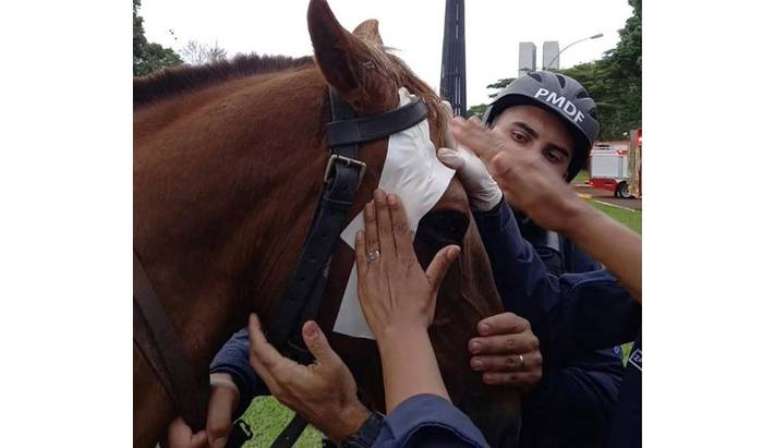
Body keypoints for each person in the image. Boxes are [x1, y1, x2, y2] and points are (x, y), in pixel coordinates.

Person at [442, 71, 642, 448]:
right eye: (519, 137)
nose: (525, 161)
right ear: (481, 130)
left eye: (552, 156)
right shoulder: (421, 210)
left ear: (564, 179)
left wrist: (537, 379)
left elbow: (606, 390)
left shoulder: (575, 251)